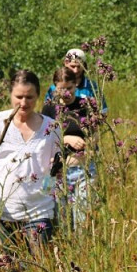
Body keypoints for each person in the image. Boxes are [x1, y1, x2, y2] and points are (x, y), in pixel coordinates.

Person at [0, 69, 62, 248]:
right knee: (10, 269)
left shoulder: (52, 128)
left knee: (37, 269)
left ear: (38, 96)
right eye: (18, 96)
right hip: (2, 211)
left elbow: (57, 169)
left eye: (29, 97)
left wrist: (53, 179)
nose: (23, 102)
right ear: (10, 95)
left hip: (39, 211)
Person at [42, 67, 99, 227]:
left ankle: (83, 249)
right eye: (61, 89)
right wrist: (66, 138)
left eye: (70, 88)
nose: (66, 93)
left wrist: (87, 147)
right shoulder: (49, 109)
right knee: (62, 218)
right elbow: (43, 138)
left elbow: (95, 135)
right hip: (59, 171)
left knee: (82, 218)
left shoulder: (85, 105)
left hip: (84, 169)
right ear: (55, 87)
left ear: (76, 86)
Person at [45, 47, 107, 113]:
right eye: (72, 66)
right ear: (65, 63)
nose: (75, 71)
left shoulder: (93, 87)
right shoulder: (53, 88)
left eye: (79, 66)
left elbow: (102, 111)